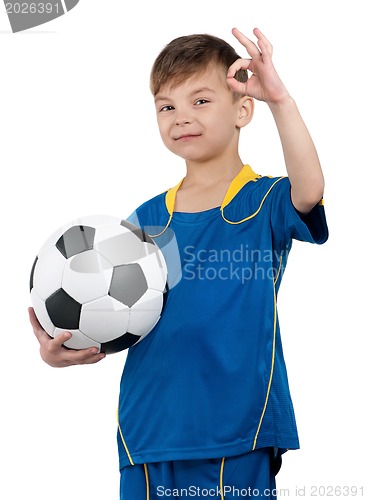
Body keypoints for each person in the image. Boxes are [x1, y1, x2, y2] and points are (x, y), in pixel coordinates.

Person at [29, 27, 328, 499]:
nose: (181, 117)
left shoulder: (262, 202)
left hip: (237, 430)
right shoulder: (147, 222)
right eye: (167, 106)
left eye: (201, 101)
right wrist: (63, 348)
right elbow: (122, 313)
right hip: (149, 434)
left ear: (242, 109)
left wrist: (281, 101)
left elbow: (309, 191)